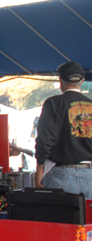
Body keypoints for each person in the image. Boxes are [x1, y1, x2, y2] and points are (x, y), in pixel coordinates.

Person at [34, 61, 92, 200]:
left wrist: (40, 167)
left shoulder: (54, 103)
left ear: (60, 80)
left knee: (60, 220)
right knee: (88, 220)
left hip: (61, 174)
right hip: (89, 176)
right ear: (82, 81)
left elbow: (46, 138)